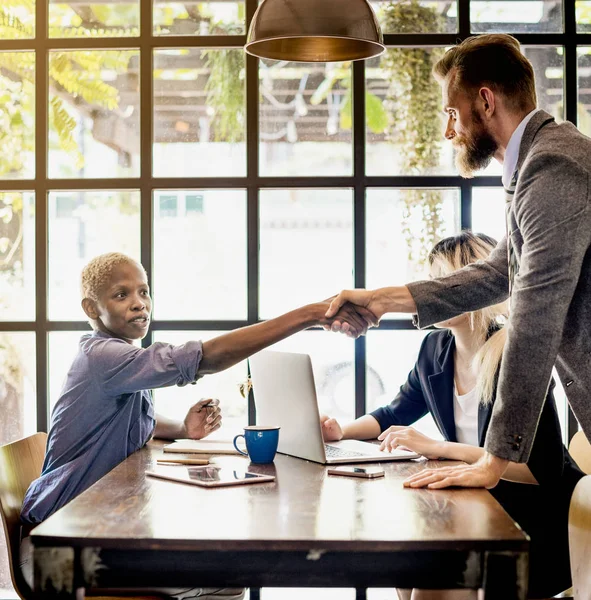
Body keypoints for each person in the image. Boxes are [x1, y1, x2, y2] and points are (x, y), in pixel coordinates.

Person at [19, 252, 373, 600]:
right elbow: (205, 358)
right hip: (57, 553)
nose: (139, 303)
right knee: (226, 580)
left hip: (85, 533)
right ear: (91, 309)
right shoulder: (102, 357)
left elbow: (127, 419)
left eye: (144, 292)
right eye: (121, 294)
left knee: (228, 578)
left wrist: (184, 429)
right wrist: (311, 314)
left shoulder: (115, 359)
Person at [326, 33, 591, 490]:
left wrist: (494, 461)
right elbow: (499, 272)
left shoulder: (552, 168)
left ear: (485, 101)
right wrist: (381, 300)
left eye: (452, 113)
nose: (449, 132)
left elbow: (534, 317)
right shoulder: (538, 165)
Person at [321, 232, 583, 600]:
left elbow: (538, 472)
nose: (436, 291)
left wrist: (440, 447)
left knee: (432, 578)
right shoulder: (435, 347)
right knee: (406, 565)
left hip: (537, 518)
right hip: (481, 504)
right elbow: (396, 410)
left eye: (444, 281)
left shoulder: (515, 353)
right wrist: (341, 431)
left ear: (475, 287)